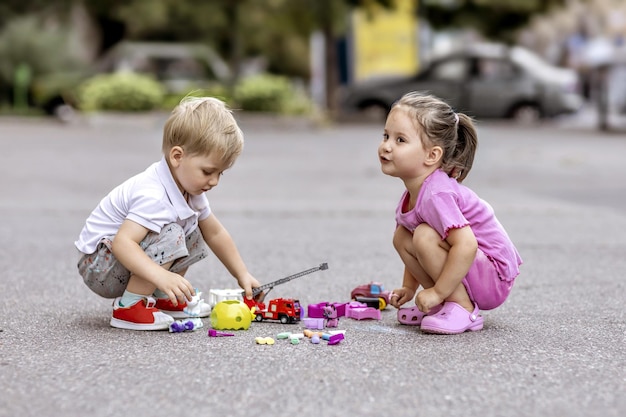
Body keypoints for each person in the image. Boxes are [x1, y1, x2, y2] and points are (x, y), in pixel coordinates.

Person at [75, 96, 262, 331]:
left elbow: (214, 233)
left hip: (120, 262)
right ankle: (129, 306)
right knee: (173, 232)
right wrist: (162, 275)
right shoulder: (153, 195)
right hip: (100, 267)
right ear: (177, 157)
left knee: (194, 231)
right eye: (208, 171)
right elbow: (123, 243)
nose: (214, 181)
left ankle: (163, 297)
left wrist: (242, 274)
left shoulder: (189, 191)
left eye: (220, 174)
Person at [380, 92, 522, 334]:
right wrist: (409, 288)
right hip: (473, 269)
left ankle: (462, 307)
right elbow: (412, 246)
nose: (386, 146)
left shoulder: (437, 193)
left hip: (494, 275)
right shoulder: (412, 196)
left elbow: (466, 245)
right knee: (403, 236)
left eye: (400, 140)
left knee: (424, 235)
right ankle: (444, 305)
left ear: (432, 155)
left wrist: (436, 291)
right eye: (386, 136)